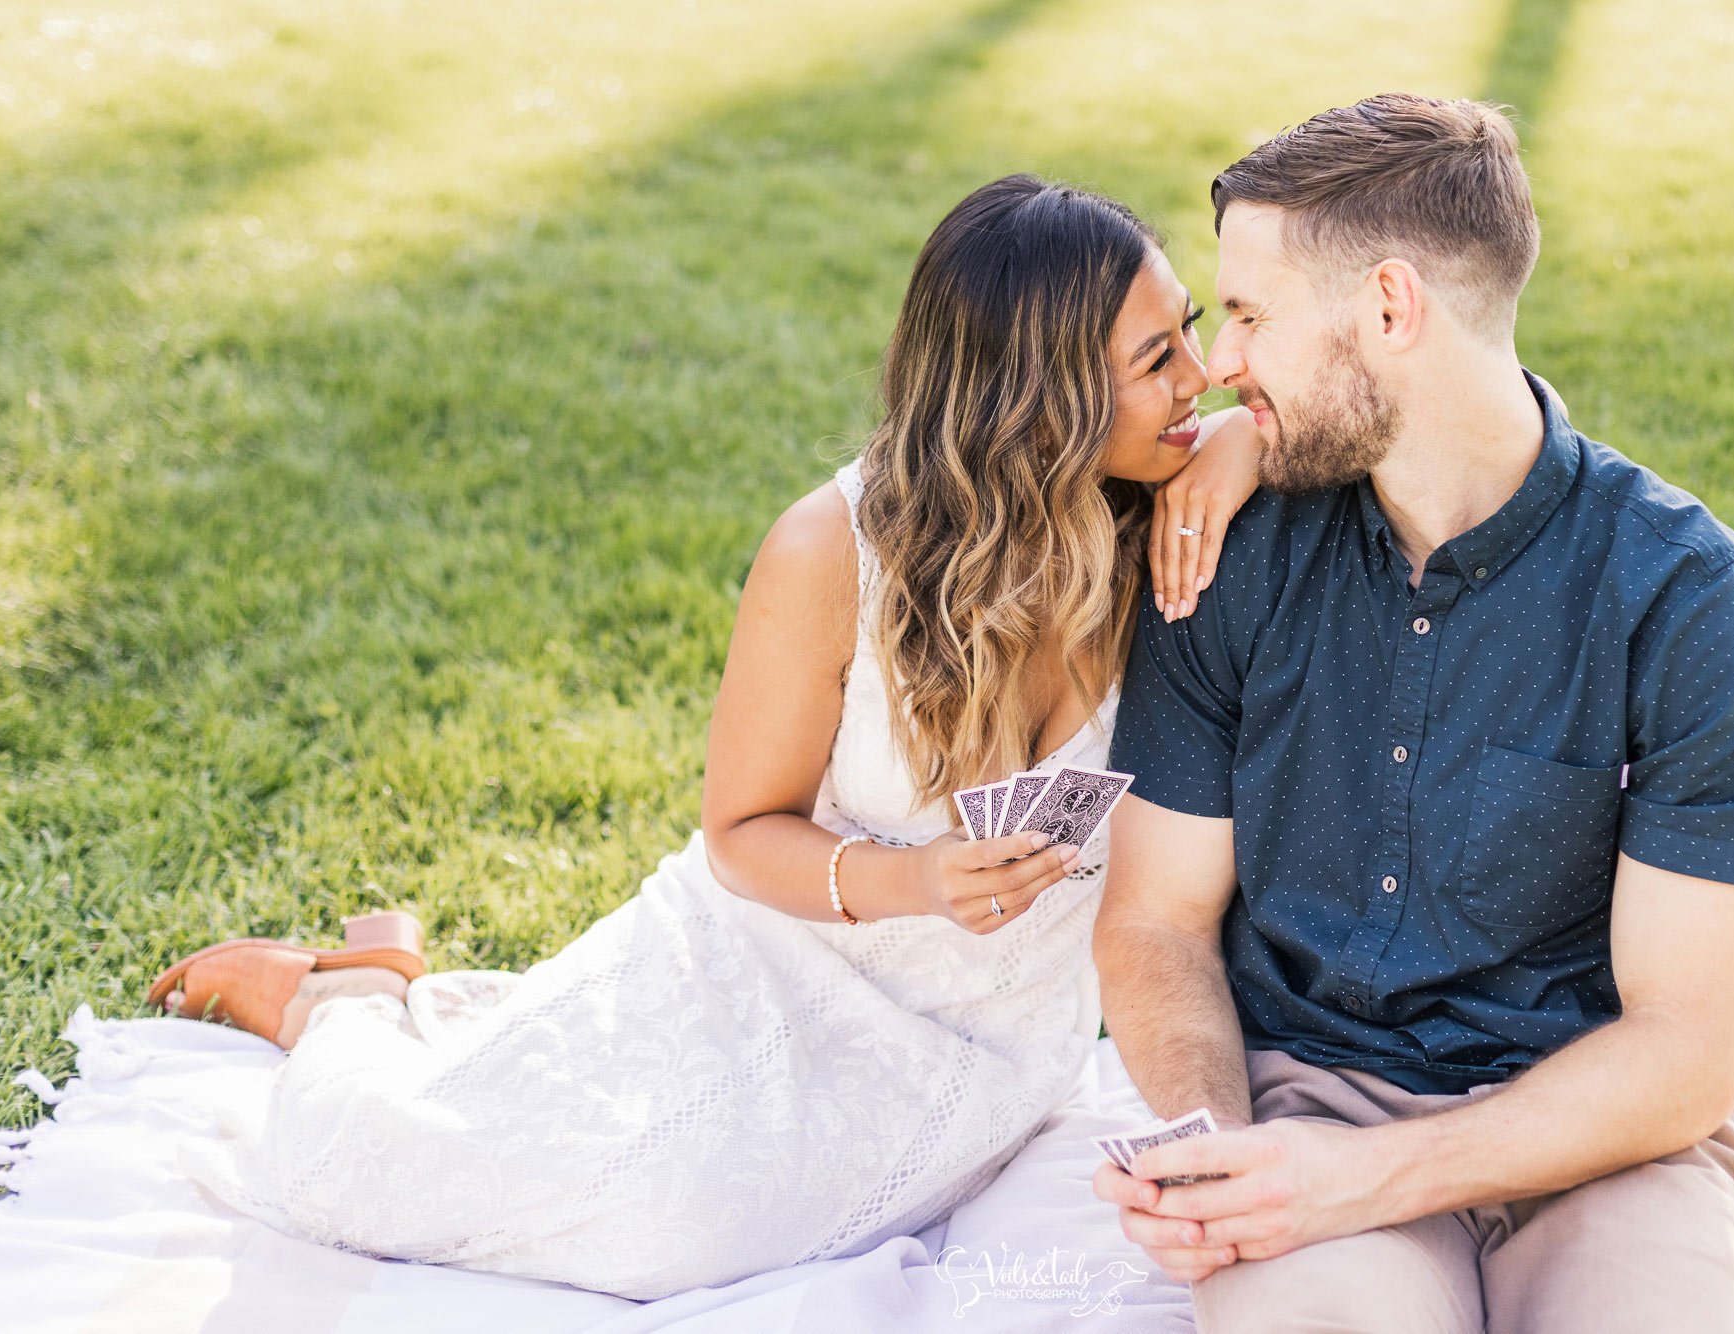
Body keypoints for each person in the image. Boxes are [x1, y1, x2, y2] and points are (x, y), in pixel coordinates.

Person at [142, 173, 1267, 1301]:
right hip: (767, 959)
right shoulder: (834, 550)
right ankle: (344, 1000)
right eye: (1154, 358)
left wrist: (1247, 448)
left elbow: (1369, 432)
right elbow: (738, 831)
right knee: (479, 1192)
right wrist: (915, 876)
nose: (1203, 376)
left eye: (1191, 333)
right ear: (1035, 398)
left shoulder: (1174, 517)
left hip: (996, 1047)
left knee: (717, 1218)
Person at [1091, 95, 1734, 1333]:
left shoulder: (1692, 607)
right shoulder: (1220, 555)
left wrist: (1363, 1181)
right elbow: (1155, 918)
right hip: (1311, 1097)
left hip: (1612, 1132)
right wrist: (1217, 1147)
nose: (1218, 365)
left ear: (1386, 308)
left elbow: (1686, 1046)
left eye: (1252, 318)